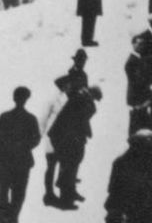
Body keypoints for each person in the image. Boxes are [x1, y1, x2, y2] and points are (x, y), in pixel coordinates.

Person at [47, 82, 100, 209]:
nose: (95, 101)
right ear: (92, 94)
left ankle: (69, 192)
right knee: (69, 164)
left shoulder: (83, 98)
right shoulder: (81, 98)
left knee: (72, 163)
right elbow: (79, 118)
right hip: (66, 136)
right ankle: (66, 198)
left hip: (70, 135)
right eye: (95, 98)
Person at [0, 86, 41, 221]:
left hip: (8, 161)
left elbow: (36, 139)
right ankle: (11, 217)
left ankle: (6, 217)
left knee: (5, 193)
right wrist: (23, 146)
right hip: (18, 162)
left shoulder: (5, 117)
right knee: (16, 194)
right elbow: (35, 139)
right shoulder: (30, 118)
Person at [104, 130, 152, 223]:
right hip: (132, 206)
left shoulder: (120, 161)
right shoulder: (147, 162)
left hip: (130, 205)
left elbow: (112, 187)